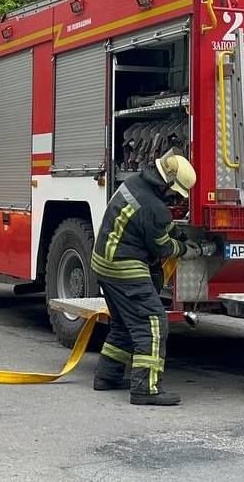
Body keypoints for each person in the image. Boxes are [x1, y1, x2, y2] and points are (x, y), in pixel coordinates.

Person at [91, 150, 201, 406]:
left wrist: (180, 234)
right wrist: (187, 249)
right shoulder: (154, 207)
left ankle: (106, 376)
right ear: (167, 184)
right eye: (176, 192)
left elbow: (158, 225)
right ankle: (146, 388)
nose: (175, 197)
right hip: (124, 268)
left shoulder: (135, 183)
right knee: (152, 324)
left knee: (122, 324)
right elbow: (162, 248)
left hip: (104, 264)